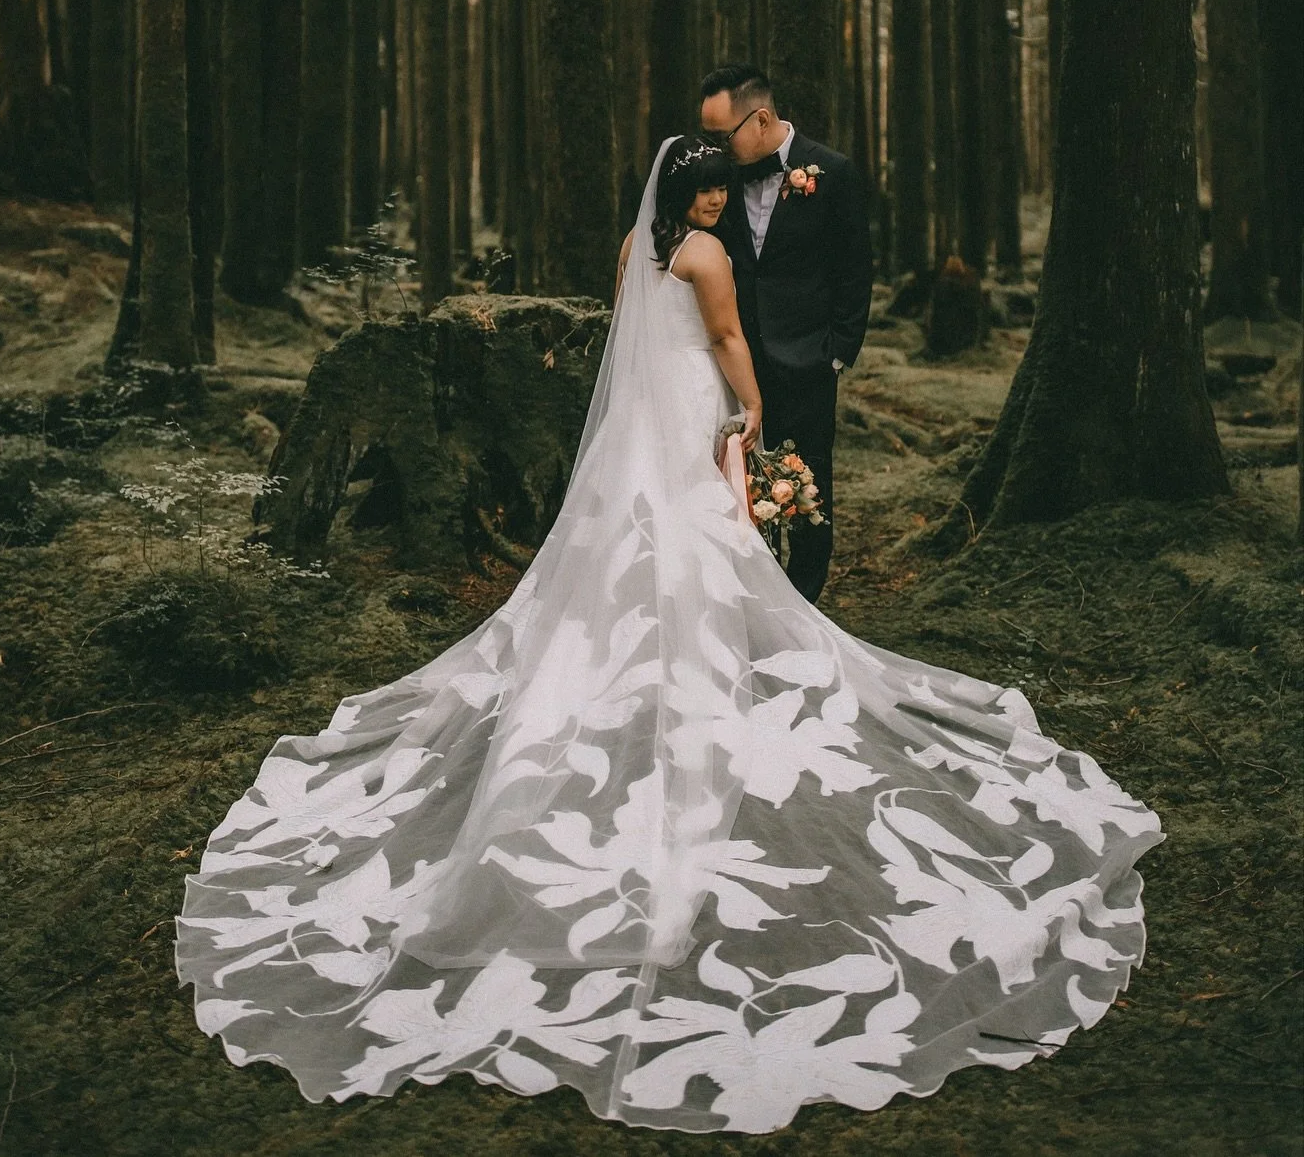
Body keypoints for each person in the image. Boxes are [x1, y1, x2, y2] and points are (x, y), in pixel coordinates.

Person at [176, 138, 1162, 1135]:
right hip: (691, 404)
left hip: (633, 424)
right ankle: (695, 667)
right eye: (716, 191)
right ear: (701, 194)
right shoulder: (706, 252)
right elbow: (728, 337)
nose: (721, 202)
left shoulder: (634, 247)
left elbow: (625, 337)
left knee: (625, 551)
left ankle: (636, 668)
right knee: (698, 544)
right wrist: (754, 404)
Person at [700, 63, 873, 603]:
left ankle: (807, 600)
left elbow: (855, 267)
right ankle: (756, 594)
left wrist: (837, 354)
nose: (715, 149)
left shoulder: (833, 171)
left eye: (721, 136)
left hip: (808, 360)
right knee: (742, 478)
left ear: (762, 118)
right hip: (737, 359)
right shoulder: (721, 176)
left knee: (810, 483)